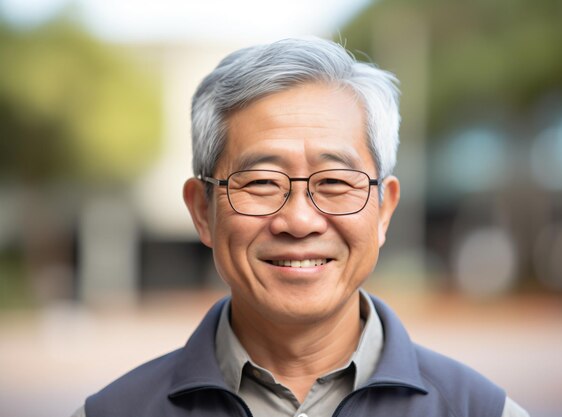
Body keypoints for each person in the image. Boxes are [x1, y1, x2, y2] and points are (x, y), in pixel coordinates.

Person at [72, 37, 529, 417]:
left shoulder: (479, 412)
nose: (299, 220)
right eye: (261, 182)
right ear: (202, 211)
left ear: (384, 209)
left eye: (334, 181)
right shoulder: (115, 413)